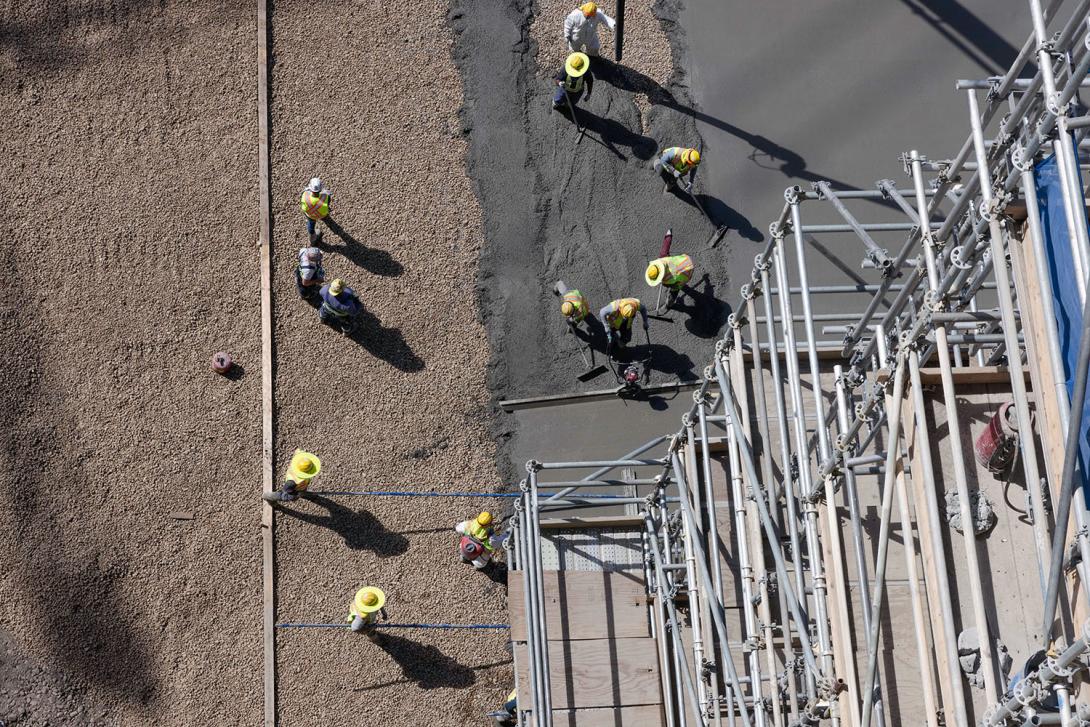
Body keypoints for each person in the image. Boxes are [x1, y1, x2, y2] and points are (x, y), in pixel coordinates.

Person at [300, 177, 332, 243]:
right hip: (322, 214)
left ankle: (312, 236)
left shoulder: (304, 195)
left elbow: (302, 199)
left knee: (311, 224)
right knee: (324, 211)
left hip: (310, 214)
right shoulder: (326, 197)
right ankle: (325, 219)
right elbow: (328, 203)